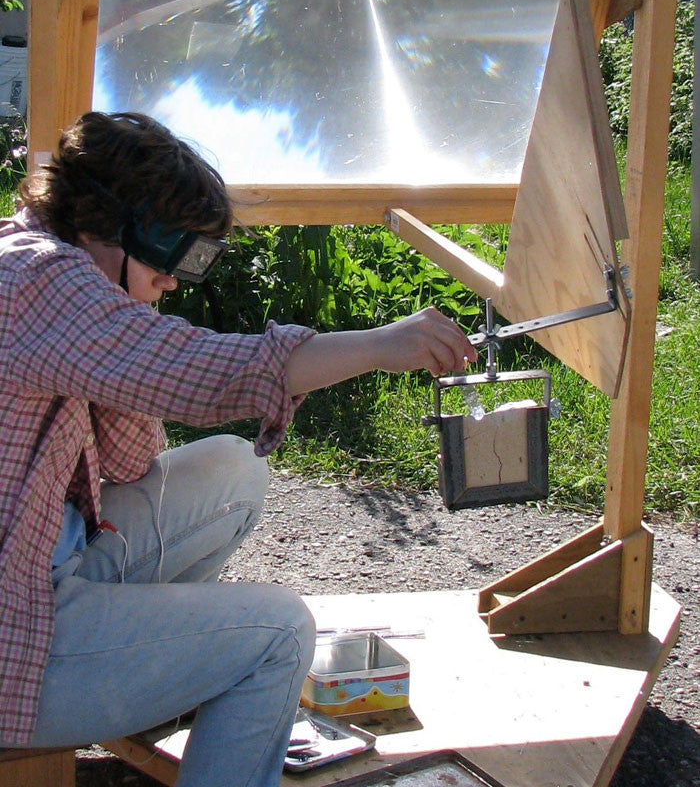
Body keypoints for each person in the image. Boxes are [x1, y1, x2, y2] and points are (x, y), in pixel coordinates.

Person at [0, 111, 476, 787]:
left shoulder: (48, 269)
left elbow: (132, 465)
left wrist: (132, 338)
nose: (173, 278)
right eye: (167, 252)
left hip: (45, 566)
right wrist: (379, 345)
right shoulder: (40, 282)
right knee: (279, 635)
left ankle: (160, 676)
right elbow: (214, 374)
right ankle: (174, 677)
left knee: (232, 468)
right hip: (17, 634)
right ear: (101, 225)